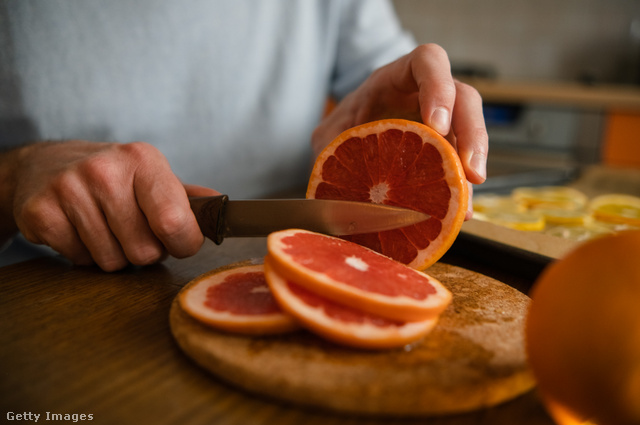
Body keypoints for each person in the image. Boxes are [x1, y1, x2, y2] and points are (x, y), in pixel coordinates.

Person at [0, 0, 487, 271]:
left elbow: (391, 78)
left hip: (281, 265)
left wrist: (415, 129)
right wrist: (11, 177)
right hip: (39, 288)